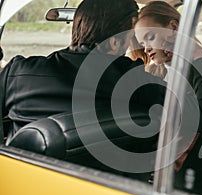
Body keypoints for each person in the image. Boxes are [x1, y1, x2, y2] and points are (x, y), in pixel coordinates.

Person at [0, 0, 165, 138]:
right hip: (101, 176)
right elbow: (180, 109)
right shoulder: (134, 80)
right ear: (115, 42)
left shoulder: (17, 72)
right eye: (131, 38)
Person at [132, 1, 202, 195]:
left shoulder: (197, 66)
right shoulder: (154, 72)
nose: (147, 48)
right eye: (142, 43)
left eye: (151, 37)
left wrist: (200, 58)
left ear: (173, 28)